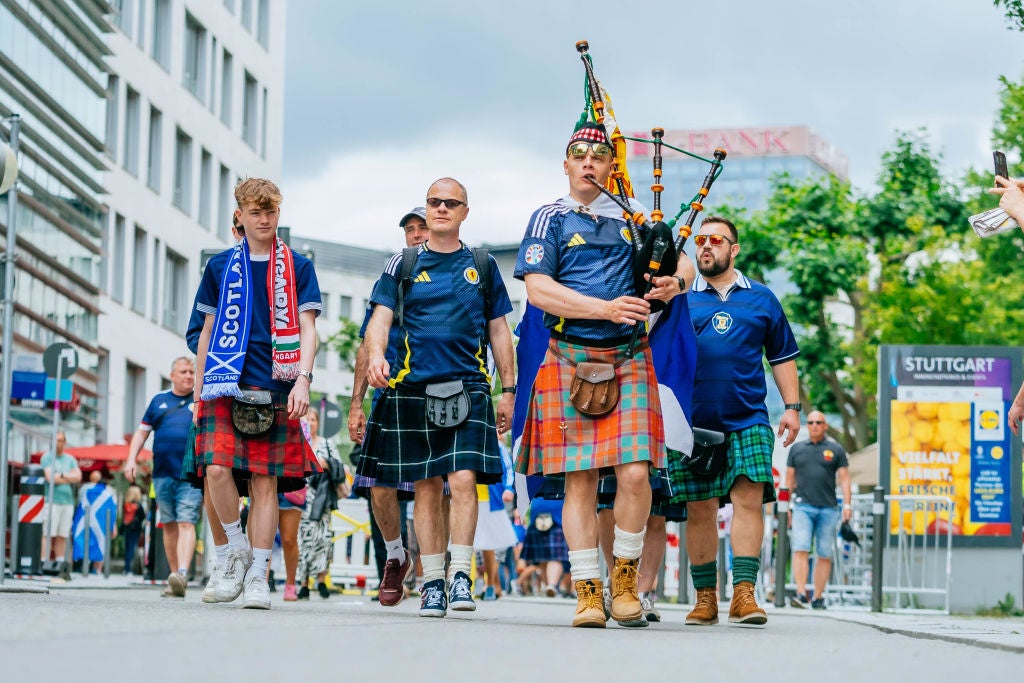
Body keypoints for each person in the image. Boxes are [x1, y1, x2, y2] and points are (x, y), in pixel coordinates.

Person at [514, 123, 694, 628]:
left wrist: (671, 285)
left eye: (599, 155)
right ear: (566, 165)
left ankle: (626, 583)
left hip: (629, 355)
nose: (589, 162)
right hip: (569, 352)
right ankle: (588, 591)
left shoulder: (633, 216)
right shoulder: (548, 217)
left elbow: (684, 264)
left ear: (612, 166)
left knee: (636, 473)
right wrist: (605, 308)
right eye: (580, 155)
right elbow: (540, 291)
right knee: (581, 480)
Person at [360, 178, 516, 618]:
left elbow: (499, 330)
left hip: (469, 384)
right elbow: (380, 318)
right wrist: (376, 355)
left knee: (463, 481)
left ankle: (461, 575)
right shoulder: (404, 262)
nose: (442, 208)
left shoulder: (483, 265)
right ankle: (432, 582)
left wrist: (509, 391)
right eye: (434, 202)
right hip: (412, 387)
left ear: (466, 211)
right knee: (427, 486)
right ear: (426, 209)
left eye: (451, 203)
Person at [191, 177, 321, 610]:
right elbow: (206, 332)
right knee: (214, 470)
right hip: (224, 382)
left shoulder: (298, 266)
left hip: (278, 384)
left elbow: (308, 328)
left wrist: (303, 378)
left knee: (266, 483)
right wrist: (198, 391)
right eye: (256, 213)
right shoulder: (219, 266)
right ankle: (234, 550)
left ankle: (258, 577)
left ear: (278, 214)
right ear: (240, 216)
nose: (265, 220)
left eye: (271, 212)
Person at [667, 216, 800, 626]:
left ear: (733, 249)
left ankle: (744, 594)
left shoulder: (762, 298)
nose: (705, 246)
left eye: (715, 240)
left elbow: (782, 357)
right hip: (691, 423)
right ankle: (706, 598)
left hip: (749, 418)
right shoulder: (681, 299)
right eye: (700, 240)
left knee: (748, 500)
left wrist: (792, 407)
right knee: (701, 508)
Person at [348, 206, 429, 606]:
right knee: (380, 486)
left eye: (422, 227)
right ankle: (396, 556)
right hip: (391, 394)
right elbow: (367, 344)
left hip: (440, 394)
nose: (415, 235)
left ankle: (438, 571)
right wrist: (355, 405)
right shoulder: (392, 280)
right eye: (410, 230)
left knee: (443, 489)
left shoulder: (464, 273)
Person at [125, 357, 203, 597]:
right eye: (184, 372)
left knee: (186, 522)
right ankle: (174, 578)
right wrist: (131, 460)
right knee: (168, 524)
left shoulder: (201, 400)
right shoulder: (159, 401)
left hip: (190, 474)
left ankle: (182, 572)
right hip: (162, 474)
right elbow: (141, 434)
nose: (189, 376)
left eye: (192, 372)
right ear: (172, 375)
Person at [786, 410, 851, 609]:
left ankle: (818, 596)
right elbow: (789, 479)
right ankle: (800, 594)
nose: (814, 425)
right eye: (811, 422)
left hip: (828, 508)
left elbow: (845, 479)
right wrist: (786, 506)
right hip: (802, 506)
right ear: (807, 425)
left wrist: (848, 504)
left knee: (824, 553)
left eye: (818, 422)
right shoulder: (796, 449)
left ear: (825, 426)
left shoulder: (836, 449)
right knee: (801, 548)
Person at [296, 408, 346, 599]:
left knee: (323, 539)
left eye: (313, 419)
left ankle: (322, 580)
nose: (310, 423)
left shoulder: (327, 444)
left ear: (318, 422)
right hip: (302, 496)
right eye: (306, 419)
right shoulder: (299, 442)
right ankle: (303, 582)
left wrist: (327, 463)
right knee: (304, 540)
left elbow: (339, 467)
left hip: (323, 497)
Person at [41, 431, 81, 563]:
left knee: (62, 535)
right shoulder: (47, 457)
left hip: (67, 502)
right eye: (55, 440)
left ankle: (59, 564)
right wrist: (68, 476)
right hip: (51, 501)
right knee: (47, 533)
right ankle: (44, 562)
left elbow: (78, 477)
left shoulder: (70, 459)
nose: (57, 443)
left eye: (60, 440)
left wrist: (61, 475)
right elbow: (50, 478)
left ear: (64, 442)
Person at [120, 484, 146, 575]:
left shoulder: (126, 505)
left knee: (127, 548)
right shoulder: (139, 506)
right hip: (135, 529)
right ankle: (129, 569)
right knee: (132, 548)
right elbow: (142, 517)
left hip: (127, 528)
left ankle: (126, 568)